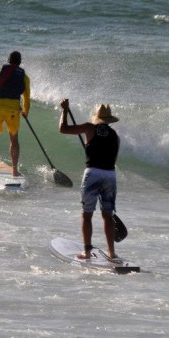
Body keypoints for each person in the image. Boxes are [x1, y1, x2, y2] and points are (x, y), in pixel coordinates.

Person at [58, 99, 120, 260]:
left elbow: (63, 129)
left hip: (93, 173)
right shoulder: (115, 136)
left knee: (87, 215)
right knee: (108, 215)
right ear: (109, 120)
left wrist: (64, 110)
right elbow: (112, 160)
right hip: (110, 175)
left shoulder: (89, 127)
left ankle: (86, 251)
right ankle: (111, 253)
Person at [0, 51, 31, 177]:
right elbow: (26, 98)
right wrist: (25, 112)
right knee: (14, 139)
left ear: (8, 60)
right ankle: (14, 171)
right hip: (13, 110)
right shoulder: (24, 77)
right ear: (20, 62)